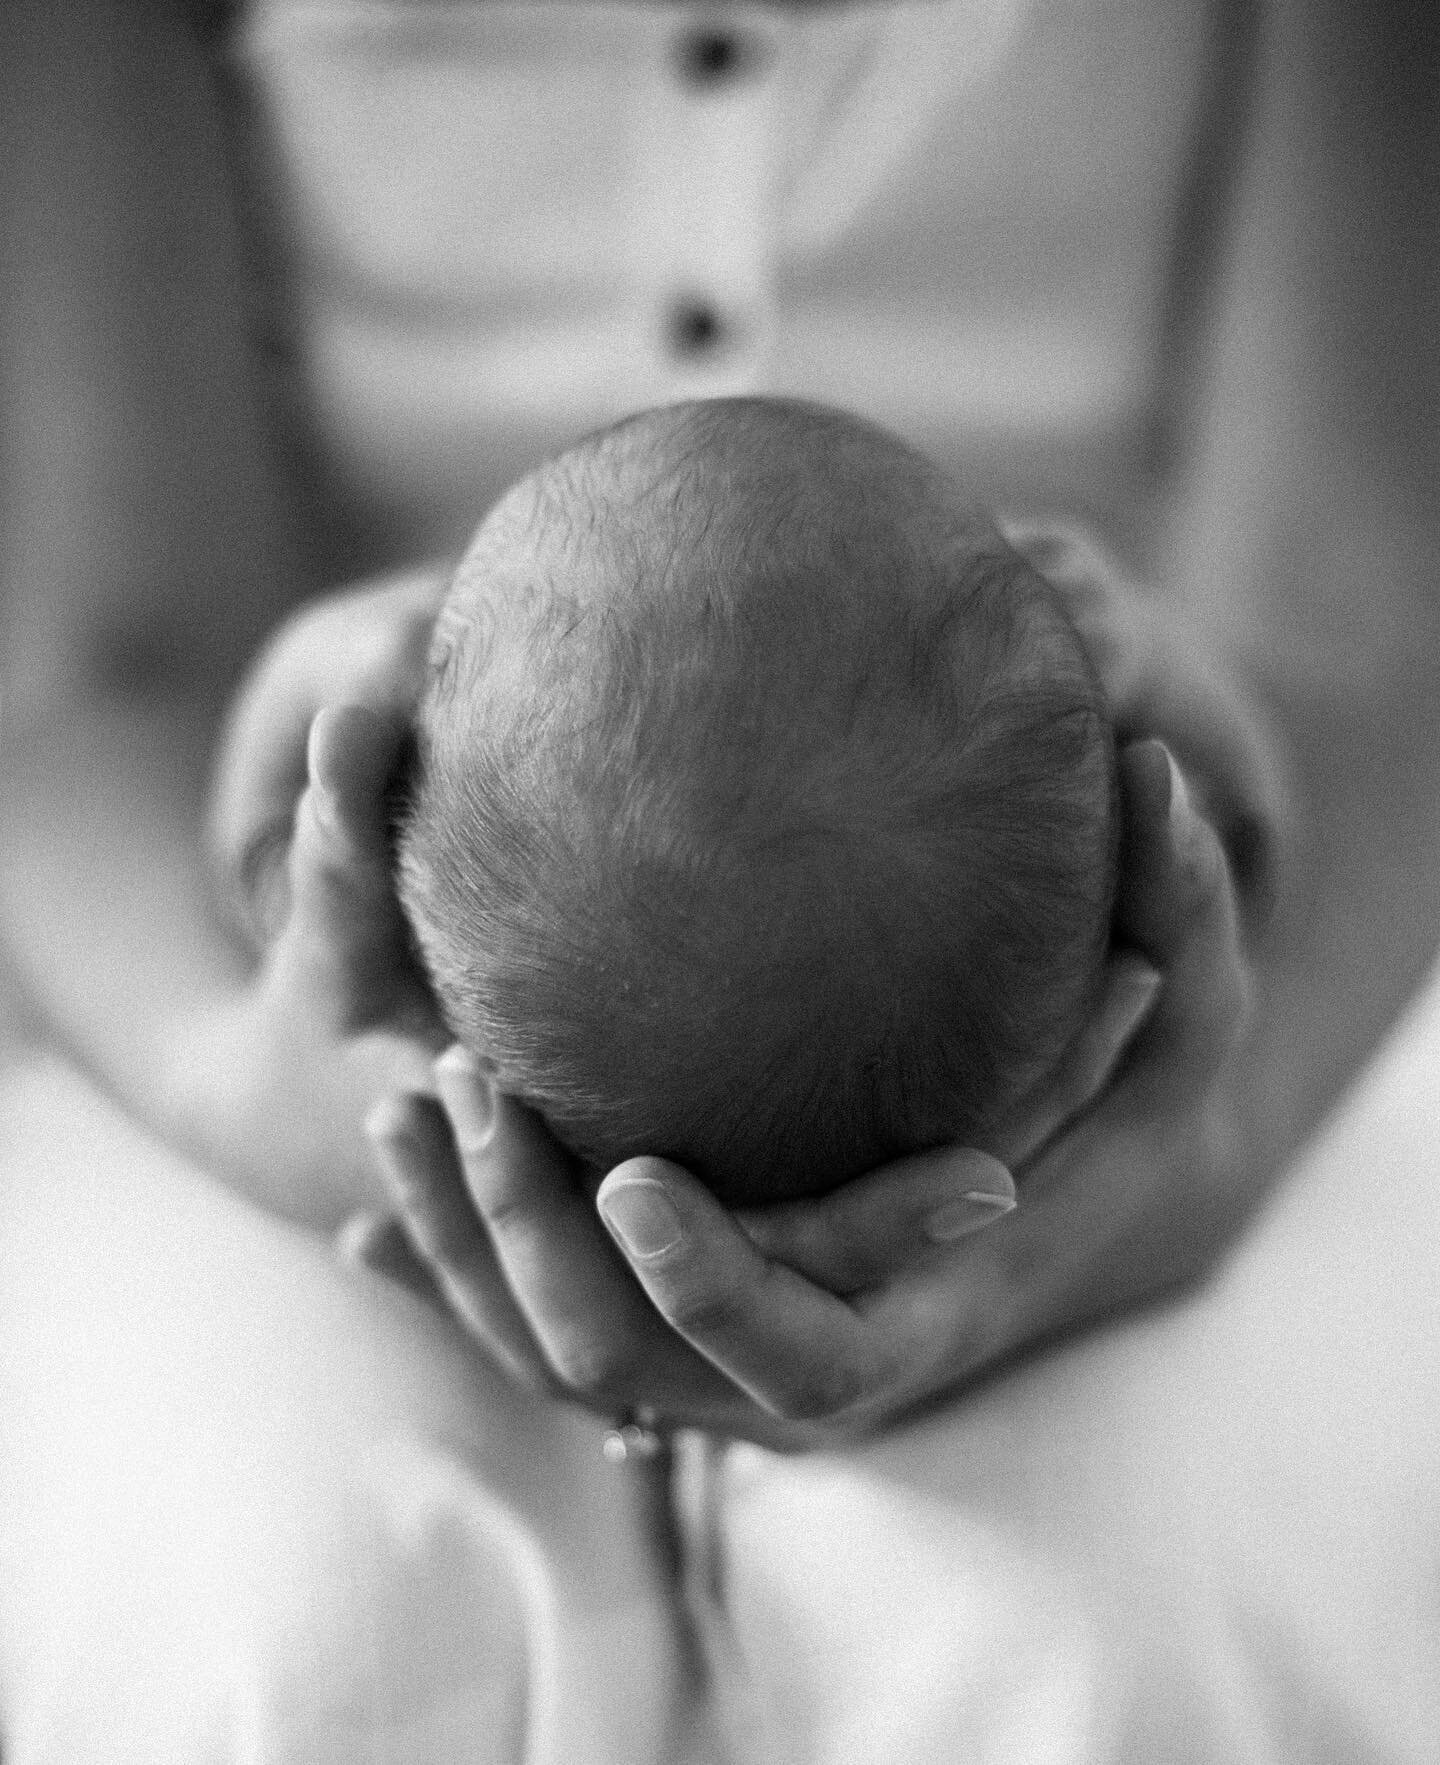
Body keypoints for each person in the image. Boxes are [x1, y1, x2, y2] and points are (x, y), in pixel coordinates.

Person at [1, 0, 1437, 1756]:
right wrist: (240, 1063)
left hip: (1024, 862)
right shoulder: (361, 719)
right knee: (301, 1639)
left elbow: (1357, 630)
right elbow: (97, 662)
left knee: (1113, 1654)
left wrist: (1209, 1145)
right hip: (357, 943)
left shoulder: (355, 702)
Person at [396, 396, 1119, 1209]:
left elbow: (251, 787)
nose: (410, 640)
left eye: (440, 652)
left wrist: (270, 822)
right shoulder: (1133, 744)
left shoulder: (347, 724)